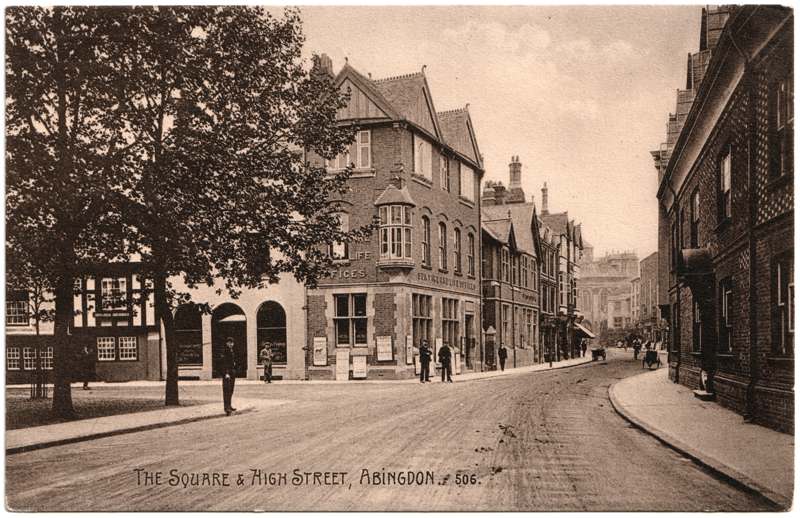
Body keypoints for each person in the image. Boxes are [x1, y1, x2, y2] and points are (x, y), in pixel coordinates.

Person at [220, 337, 238, 415]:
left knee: (231, 390)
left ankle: (229, 405)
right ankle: (226, 408)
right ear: (227, 343)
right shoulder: (224, 351)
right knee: (227, 391)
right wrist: (226, 373)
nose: (231, 344)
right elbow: (223, 363)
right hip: (227, 374)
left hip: (232, 373)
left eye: (232, 343)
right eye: (229, 343)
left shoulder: (231, 351)